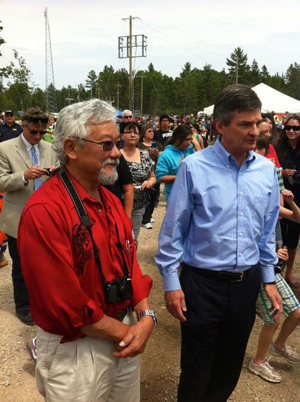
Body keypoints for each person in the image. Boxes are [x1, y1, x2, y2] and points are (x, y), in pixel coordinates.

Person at [18, 99, 156, 402]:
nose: (117, 154)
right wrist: (130, 333)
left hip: (123, 334)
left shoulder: (109, 199)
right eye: (106, 144)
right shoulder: (45, 211)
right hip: (77, 348)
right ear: (70, 147)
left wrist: (146, 316)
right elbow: (65, 304)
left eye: (117, 143)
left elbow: (129, 262)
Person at [155, 84, 282, 402]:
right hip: (201, 285)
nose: (255, 131)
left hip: (246, 285)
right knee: (197, 368)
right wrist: (172, 283)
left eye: (257, 122)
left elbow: (266, 232)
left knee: (228, 368)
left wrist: (268, 279)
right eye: (245, 124)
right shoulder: (193, 168)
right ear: (220, 126)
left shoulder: (267, 171)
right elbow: (172, 233)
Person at [0, 107, 57, 325]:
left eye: (43, 132)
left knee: (46, 262)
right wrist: (23, 176)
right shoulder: (5, 148)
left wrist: (56, 171)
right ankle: (23, 306)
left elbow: (60, 174)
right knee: (22, 265)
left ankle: (43, 300)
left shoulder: (49, 148)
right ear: (23, 126)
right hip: (18, 217)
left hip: (46, 217)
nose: (38, 137)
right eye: (34, 132)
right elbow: (1, 181)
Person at [120, 122, 156, 241]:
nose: (132, 135)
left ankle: (131, 258)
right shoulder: (115, 154)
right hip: (119, 204)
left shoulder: (145, 155)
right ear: (121, 135)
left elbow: (152, 176)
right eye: (128, 132)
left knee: (133, 238)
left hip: (139, 204)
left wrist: (150, 182)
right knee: (119, 237)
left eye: (135, 132)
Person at [276, 115, 300, 288]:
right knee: (279, 236)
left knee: (293, 237)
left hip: (298, 196)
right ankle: (279, 272)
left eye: (296, 128)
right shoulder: (278, 147)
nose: (291, 131)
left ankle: (289, 272)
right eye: (288, 128)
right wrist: (281, 172)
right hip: (280, 195)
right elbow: (272, 168)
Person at [155, 124, 201, 204]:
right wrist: (180, 177)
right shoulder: (166, 155)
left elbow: (202, 163)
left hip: (194, 196)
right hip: (176, 199)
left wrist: (197, 145)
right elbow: (160, 177)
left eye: (191, 140)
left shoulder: (190, 150)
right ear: (178, 139)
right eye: (187, 140)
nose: (189, 143)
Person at [137, 123, 163, 229]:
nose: (152, 133)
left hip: (155, 172)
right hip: (143, 173)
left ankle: (149, 215)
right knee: (145, 195)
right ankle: (145, 219)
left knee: (154, 195)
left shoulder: (157, 143)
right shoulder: (139, 145)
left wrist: (157, 154)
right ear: (144, 133)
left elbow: (164, 156)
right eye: (149, 131)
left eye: (153, 131)